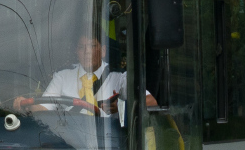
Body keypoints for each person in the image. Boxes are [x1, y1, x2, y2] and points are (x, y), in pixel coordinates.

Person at [17, 34, 151, 125]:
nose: (87, 51)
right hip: (69, 141)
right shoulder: (63, 76)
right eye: (82, 47)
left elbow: (151, 102)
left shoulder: (119, 77)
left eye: (92, 46)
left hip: (107, 144)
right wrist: (26, 105)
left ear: (103, 51)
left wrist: (123, 108)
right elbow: (45, 108)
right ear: (77, 52)